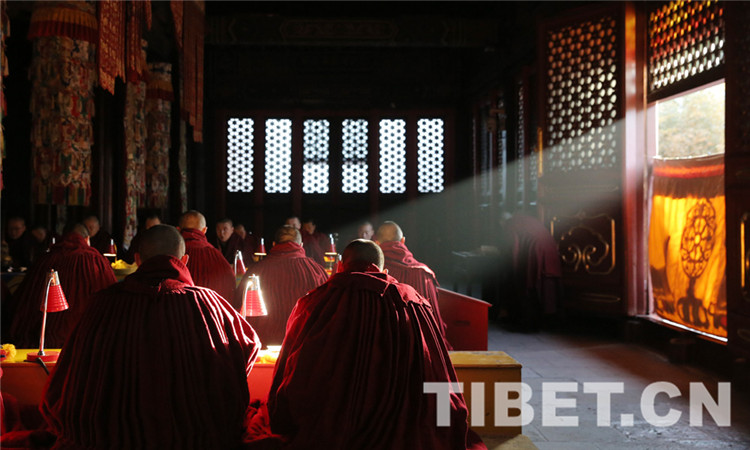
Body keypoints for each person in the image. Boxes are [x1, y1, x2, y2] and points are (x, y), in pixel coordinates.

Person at [41, 225, 261, 449]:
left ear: (137, 259)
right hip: (195, 435)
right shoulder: (209, 302)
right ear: (184, 261)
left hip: (108, 436)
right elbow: (249, 345)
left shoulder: (101, 304)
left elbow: (69, 369)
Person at [254, 240, 484, 449]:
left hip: (331, 426)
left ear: (340, 267)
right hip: (404, 426)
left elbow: (290, 365)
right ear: (384, 271)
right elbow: (437, 369)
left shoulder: (314, 301)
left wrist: (282, 411)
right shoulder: (412, 301)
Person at [8, 223, 117, 348]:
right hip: (86, 339)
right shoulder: (96, 260)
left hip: (44, 338)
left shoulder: (45, 260)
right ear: (87, 239)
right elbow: (112, 298)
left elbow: (24, 300)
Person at [236, 225, 328, 346]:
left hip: (264, 341)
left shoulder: (256, 271)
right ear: (301, 245)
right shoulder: (316, 270)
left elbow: (239, 306)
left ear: (274, 244)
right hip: (304, 341)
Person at [375, 221, 446, 336]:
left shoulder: (374, 271)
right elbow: (434, 320)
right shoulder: (423, 273)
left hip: (384, 339)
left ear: (377, 243)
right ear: (403, 240)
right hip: (419, 340)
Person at [498, 211, 563, 330]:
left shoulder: (510, 224)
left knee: (528, 284)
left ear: (502, 222)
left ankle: (528, 323)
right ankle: (547, 320)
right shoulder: (524, 218)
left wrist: (513, 268)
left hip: (536, 249)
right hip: (549, 247)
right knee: (545, 285)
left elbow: (514, 248)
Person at [178, 211, 237, 305]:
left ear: (178, 229)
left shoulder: (175, 253)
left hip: (180, 309)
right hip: (211, 309)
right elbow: (230, 285)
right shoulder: (215, 254)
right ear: (204, 230)